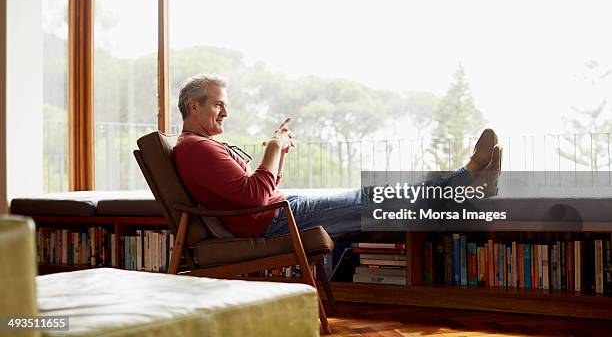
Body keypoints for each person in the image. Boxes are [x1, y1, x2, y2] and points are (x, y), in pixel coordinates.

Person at [172, 73, 502, 239]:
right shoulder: (195, 147)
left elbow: (258, 189)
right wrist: (274, 147)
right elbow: (254, 195)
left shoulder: (198, 146)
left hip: (277, 209)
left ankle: (468, 184)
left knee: (378, 198)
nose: (226, 112)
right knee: (377, 199)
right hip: (273, 219)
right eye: (218, 104)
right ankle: (469, 175)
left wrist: (281, 151)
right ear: (194, 106)